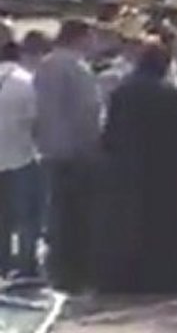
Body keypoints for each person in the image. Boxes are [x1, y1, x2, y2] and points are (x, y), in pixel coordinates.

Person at [101, 40, 177, 293]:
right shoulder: (171, 94)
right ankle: (160, 280)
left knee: (126, 225)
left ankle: (123, 281)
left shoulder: (121, 92)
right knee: (160, 227)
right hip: (162, 171)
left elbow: (109, 133)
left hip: (126, 168)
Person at [33, 18, 101, 292]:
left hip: (49, 148)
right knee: (76, 214)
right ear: (80, 37)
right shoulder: (77, 68)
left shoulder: (45, 65)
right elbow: (88, 112)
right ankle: (74, 273)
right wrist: (94, 146)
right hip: (76, 152)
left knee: (55, 212)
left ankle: (56, 269)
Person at [0, 35, 41, 278]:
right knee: (27, 216)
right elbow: (36, 120)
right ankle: (26, 265)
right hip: (21, 156)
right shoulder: (26, 81)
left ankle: (2, 262)